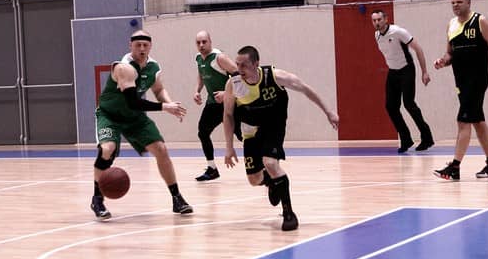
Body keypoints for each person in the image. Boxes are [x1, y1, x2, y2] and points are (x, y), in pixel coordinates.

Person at [222, 46, 339, 231]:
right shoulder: (233, 84)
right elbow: (228, 115)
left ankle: (289, 213)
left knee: (270, 163)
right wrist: (229, 147)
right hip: (250, 130)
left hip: (273, 126)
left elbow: (305, 89)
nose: (239, 69)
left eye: (244, 65)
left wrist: (328, 111)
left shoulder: (275, 76)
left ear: (256, 64)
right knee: (254, 180)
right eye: (237, 64)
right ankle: (271, 182)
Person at [91, 30, 193, 220]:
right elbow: (133, 102)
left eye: (145, 45)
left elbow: (159, 89)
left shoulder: (153, 67)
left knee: (161, 149)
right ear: (130, 46)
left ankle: (177, 198)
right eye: (137, 45)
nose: (142, 48)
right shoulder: (124, 68)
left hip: (133, 118)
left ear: (150, 46)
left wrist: (171, 104)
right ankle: (97, 198)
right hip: (110, 115)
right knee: (107, 149)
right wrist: (164, 107)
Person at [432, 0, 488, 180]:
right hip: (461, 81)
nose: (455, 5)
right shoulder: (451, 25)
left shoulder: (481, 21)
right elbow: (450, 53)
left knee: (463, 121)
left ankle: (455, 167)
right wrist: (443, 61)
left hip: (478, 79)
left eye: (459, 2)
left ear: (469, 2)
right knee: (477, 121)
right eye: (452, 3)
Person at [370, 10, 434, 153]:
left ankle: (427, 137)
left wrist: (424, 72)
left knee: (409, 104)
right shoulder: (377, 35)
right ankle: (406, 139)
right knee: (390, 107)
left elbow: (418, 49)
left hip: (406, 70)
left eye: (379, 19)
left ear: (386, 19)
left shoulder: (398, 32)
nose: (377, 23)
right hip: (393, 72)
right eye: (374, 20)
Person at [192, 31, 237, 181]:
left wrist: (226, 93)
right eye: (198, 42)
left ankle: (263, 166)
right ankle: (212, 169)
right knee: (203, 132)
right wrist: (197, 91)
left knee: (243, 136)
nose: (201, 45)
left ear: (210, 41)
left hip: (229, 103)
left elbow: (239, 75)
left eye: (204, 42)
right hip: (213, 104)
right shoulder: (199, 58)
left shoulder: (219, 58)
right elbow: (201, 75)